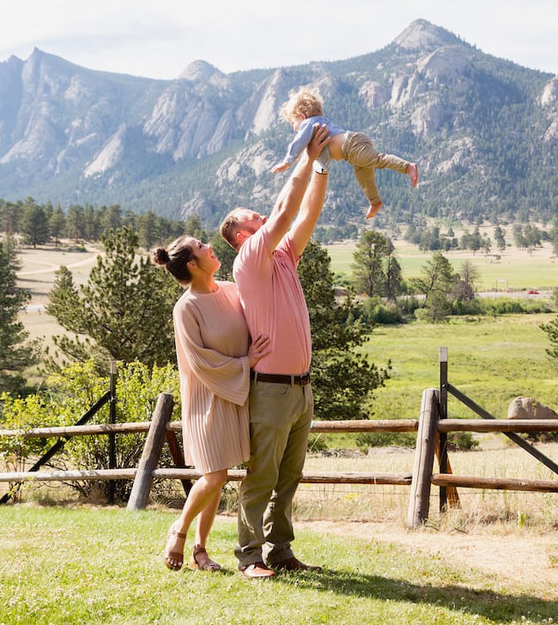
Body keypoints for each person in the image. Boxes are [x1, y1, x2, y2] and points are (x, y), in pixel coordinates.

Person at [220, 122, 330, 578]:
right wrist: (304, 156)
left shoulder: (283, 256)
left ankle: (281, 552)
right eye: (255, 219)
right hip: (271, 391)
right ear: (244, 236)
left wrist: (322, 162)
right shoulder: (248, 259)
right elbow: (285, 209)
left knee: (288, 479)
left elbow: (307, 213)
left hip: (299, 390)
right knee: (262, 478)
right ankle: (249, 558)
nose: (263, 219)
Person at [153, 236, 271, 573]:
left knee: (216, 475)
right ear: (192, 264)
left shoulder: (232, 290)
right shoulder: (186, 308)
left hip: (236, 394)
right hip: (205, 399)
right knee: (216, 475)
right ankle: (178, 531)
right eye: (202, 246)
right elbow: (200, 361)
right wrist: (245, 363)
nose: (209, 247)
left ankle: (200, 551)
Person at [272, 85, 418, 219]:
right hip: (352, 151)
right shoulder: (319, 125)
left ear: (302, 116)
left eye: (293, 122)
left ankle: (407, 167)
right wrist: (304, 157)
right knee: (364, 176)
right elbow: (321, 157)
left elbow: (299, 141)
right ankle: (375, 202)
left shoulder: (309, 123)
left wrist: (287, 161)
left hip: (352, 145)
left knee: (379, 159)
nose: (293, 128)